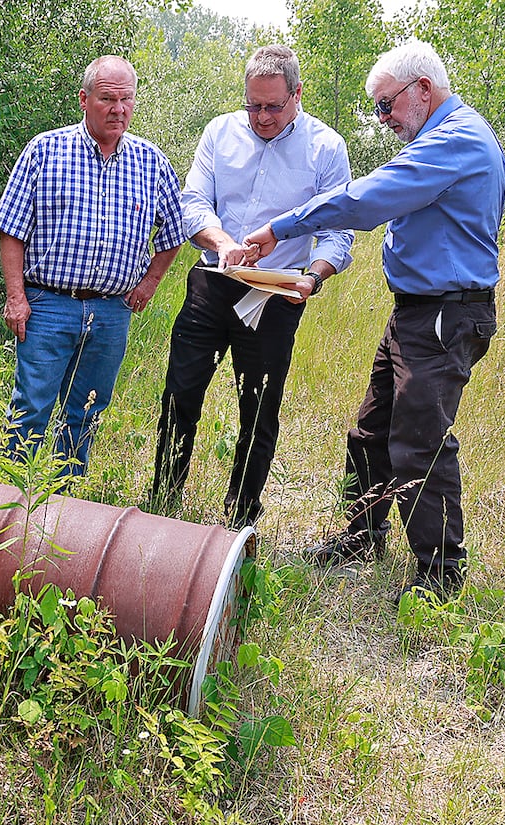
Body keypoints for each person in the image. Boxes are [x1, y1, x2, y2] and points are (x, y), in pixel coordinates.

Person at [236, 39, 505, 602]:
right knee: (371, 430)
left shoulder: (456, 141)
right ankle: (363, 535)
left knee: (418, 441)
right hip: (417, 314)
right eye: (378, 109)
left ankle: (441, 574)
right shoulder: (440, 138)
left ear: (423, 90)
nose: (383, 120)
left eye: (386, 105)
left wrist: (281, 227)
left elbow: (365, 201)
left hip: (443, 316)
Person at [150, 45, 354, 530]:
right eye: (253, 105)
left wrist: (314, 276)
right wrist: (222, 242)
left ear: (297, 95)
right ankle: (162, 505)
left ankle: (239, 521)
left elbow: (339, 231)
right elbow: (193, 202)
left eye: (272, 106)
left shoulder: (327, 148)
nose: (261, 117)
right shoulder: (220, 133)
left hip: (277, 294)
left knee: (258, 410)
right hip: (212, 281)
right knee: (181, 393)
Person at [0, 55, 186, 475]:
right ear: (84, 99)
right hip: (47, 305)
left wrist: (151, 282)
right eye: (107, 99)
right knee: (30, 410)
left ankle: (65, 511)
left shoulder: (151, 162)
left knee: (87, 412)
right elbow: (11, 230)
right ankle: (8, 509)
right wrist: (16, 298)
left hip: (112, 312)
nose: (118, 109)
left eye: (127, 100)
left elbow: (176, 231)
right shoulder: (46, 150)